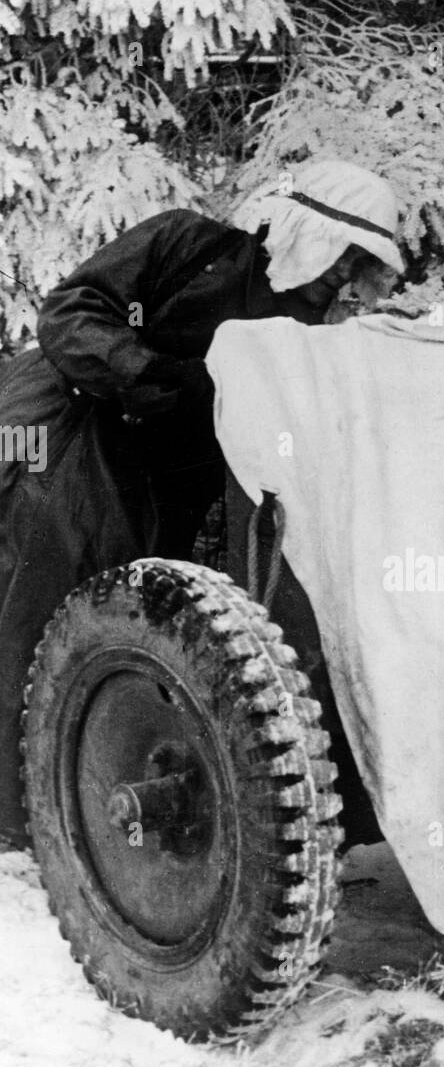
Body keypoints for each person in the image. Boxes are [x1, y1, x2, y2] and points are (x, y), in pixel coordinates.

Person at [0, 159, 404, 849]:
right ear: (302, 228)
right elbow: (72, 309)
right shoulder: (184, 243)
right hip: (66, 428)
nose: (343, 275)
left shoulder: (308, 327)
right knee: (36, 607)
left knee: (122, 626)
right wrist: (143, 369)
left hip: (158, 476)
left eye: (358, 264)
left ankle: (81, 790)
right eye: (341, 254)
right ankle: (18, 815)